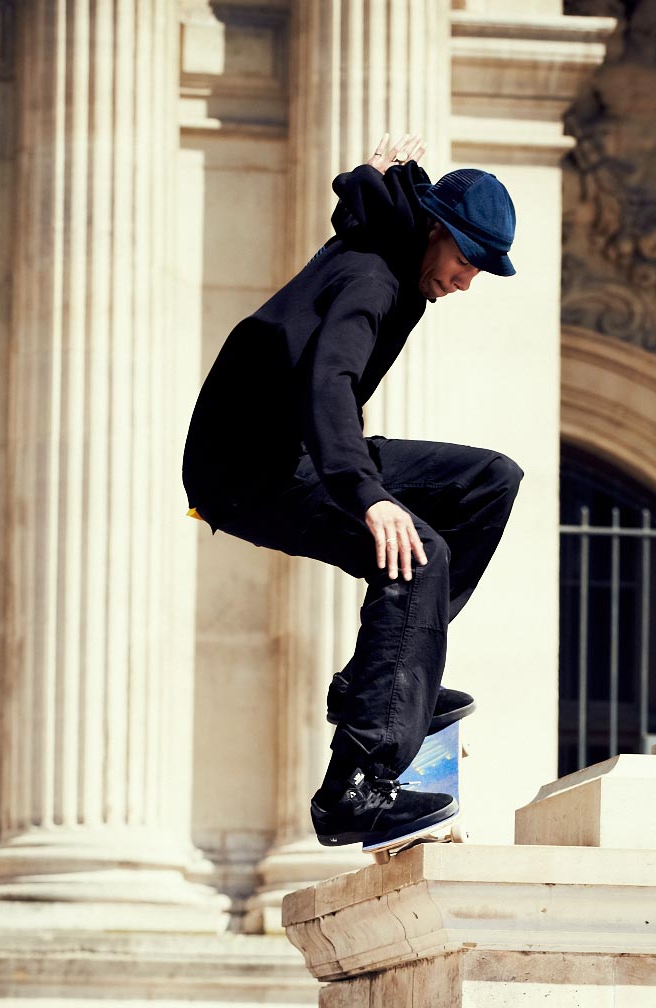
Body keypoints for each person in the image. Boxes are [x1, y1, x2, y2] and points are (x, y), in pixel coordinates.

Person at [182, 132, 524, 849]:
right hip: (251, 468)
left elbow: (358, 214)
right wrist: (367, 495)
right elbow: (328, 382)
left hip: (297, 448)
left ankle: (388, 676)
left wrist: (370, 178)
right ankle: (355, 790)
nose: (465, 282)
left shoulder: (387, 248)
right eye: (465, 262)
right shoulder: (375, 275)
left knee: (489, 482)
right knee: (416, 554)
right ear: (435, 230)